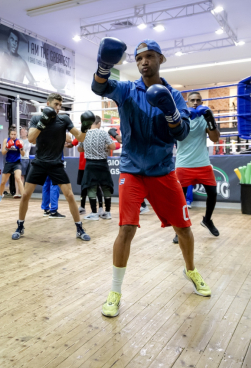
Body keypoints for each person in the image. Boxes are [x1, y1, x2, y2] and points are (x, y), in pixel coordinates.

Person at [92, 38, 212, 318]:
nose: (143, 62)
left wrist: (170, 111)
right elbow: (99, 87)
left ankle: (191, 270)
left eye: (149, 56)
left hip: (162, 171)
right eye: (139, 58)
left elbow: (181, 133)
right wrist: (103, 66)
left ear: (161, 59)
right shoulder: (126, 90)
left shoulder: (174, 95)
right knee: (126, 229)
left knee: (183, 228)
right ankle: (115, 291)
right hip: (132, 170)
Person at [11, 93, 93, 241]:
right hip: (39, 162)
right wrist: (43, 121)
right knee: (25, 195)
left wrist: (85, 127)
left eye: (60, 105)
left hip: (56, 164)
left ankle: (79, 228)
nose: (58, 107)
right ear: (48, 104)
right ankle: (20, 225)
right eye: (56, 104)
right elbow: (31, 138)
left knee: (69, 195)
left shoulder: (64, 119)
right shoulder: (36, 119)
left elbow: (80, 138)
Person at [172, 92, 221, 244]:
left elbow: (215, 138)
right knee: (181, 200)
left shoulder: (204, 118)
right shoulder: (180, 118)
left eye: (198, 100)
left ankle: (207, 220)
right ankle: (180, 229)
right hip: (183, 164)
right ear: (187, 102)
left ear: (202, 102)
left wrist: (210, 120)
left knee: (212, 194)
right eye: (192, 100)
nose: (195, 103)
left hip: (203, 163)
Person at [78, 116, 119, 220]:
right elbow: (113, 146)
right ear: (99, 123)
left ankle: (94, 213)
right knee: (106, 186)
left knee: (91, 187)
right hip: (102, 163)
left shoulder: (84, 134)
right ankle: (108, 212)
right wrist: (105, 147)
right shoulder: (104, 133)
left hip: (90, 164)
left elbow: (79, 149)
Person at [74, 118, 105, 216]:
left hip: (93, 164)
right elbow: (74, 143)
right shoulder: (83, 134)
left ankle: (100, 208)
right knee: (84, 187)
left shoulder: (99, 134)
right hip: (83, 165)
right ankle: (82, 207)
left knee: (97, 186)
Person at [0, 127, 25, 202]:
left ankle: (23, 197)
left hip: (17, 162)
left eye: (14, 134)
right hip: (8, 162)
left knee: (18, 178)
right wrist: (7, 147)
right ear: (9, 134)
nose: (13, 136)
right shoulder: (6, 140)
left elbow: (23, 154)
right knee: (3, 182)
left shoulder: (19, 141)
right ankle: (0, 195)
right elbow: (3, 152)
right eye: (12, 134)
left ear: (16, 134)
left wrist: (21, 147)